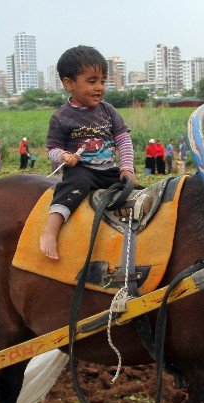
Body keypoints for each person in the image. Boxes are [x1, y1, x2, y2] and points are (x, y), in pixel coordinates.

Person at [40, 45, 136, 260]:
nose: (99, 87)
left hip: (108, 169)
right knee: (76, 186)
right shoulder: (61, 117)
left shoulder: (108, 110)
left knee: (135, 191)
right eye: (92, 81)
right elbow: (52, 151)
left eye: (103, 80)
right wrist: (64, 157)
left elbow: (123, 140)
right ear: (69, 84)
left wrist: (127, 168)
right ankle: (50, 232)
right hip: (82, 170)